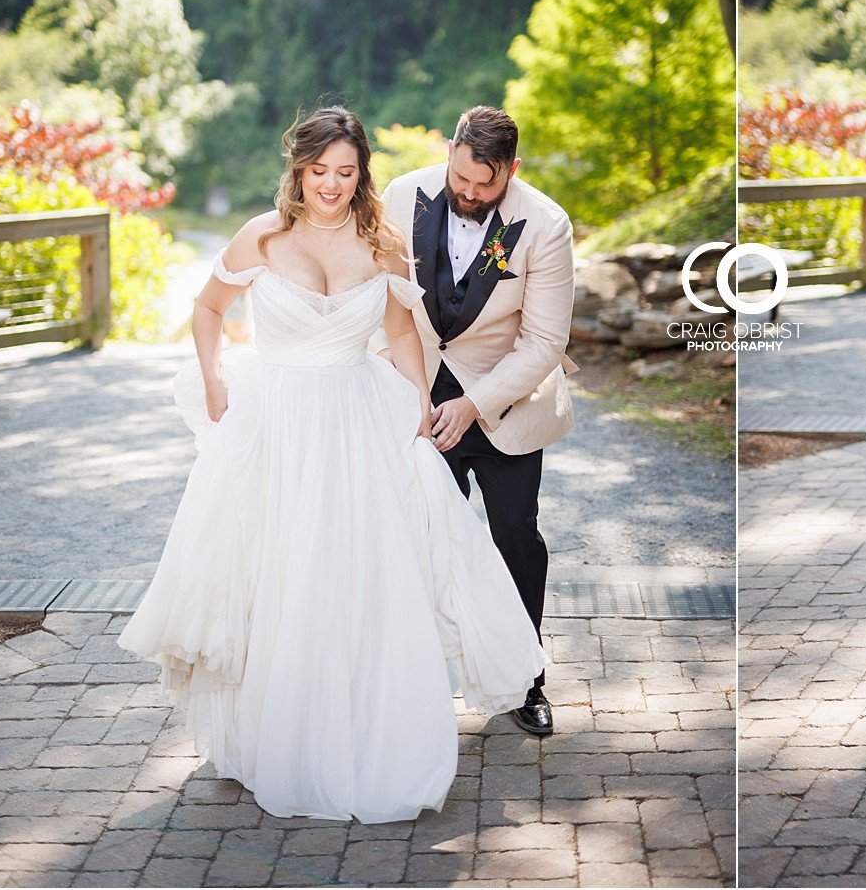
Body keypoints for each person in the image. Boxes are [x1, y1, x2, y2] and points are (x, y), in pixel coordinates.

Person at [119, 107, 544, 823]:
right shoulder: (262, 235)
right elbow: (206, 308)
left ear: (361, 174)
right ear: (299, 168)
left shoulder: (380, 242)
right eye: (320, 171)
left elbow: (402, 326)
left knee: (355, 574)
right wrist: (215, 377)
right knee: (277, 572)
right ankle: (273, 730)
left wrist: (415, 402)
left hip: (356, 421)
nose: (332, 185)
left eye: (346, 172)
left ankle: (360, 725)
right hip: (276, 424)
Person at [380, 106, 578, 738]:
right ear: (451, 150)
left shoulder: (545, 225)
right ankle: (413, 681)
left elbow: (545, 342)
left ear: (511, 171)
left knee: (515, 536)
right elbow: (381, 305)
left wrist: (474, 404)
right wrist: (408, 392)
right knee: (413, 540)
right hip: (415, 399)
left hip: (504, 407)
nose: (467, 194)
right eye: (460, 178)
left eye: (484, 186)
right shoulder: (401, 196)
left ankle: (527, 682)